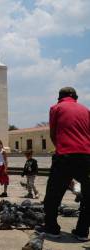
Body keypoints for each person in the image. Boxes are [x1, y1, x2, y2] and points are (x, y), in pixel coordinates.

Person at [36, 87, 90, 241]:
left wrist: (60, 149)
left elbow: (53, 134)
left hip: (65, 156)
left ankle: (52, 228)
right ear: (76, 97)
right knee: (88, 196)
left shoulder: (56, 108)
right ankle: (82, 232)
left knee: (53, 195)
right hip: (87, 157)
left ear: (59, 97)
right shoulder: (86, 110)